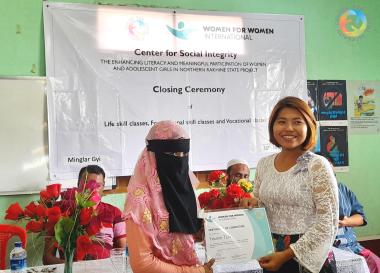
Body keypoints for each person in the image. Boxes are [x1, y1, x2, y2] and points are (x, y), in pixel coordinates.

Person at [242, 96, 339, 273]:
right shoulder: (264, 164)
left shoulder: (317, 165)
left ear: (308, 126)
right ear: (273, 126)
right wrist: (251, 202)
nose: (288, 128)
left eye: (297, 122)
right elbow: (259, 203)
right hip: (272, 252)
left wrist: (287, 254)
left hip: (307, 257)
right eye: (281, 122)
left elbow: (328, 223)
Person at [124, 120, 214, 273]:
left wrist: (206, 232)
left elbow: (187, 236)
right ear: (154, 156)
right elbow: (142, 264)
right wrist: (196, 272)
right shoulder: (140, 200)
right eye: (173, 154)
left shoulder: (184, 187)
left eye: (184, 154)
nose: (180, 159)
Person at [43, 165, 127, 264]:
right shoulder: (62, 212)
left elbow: (120, 255)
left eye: (98, 185)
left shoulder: (115, 213)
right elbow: (47, 258)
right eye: (87, 184)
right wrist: (73, 267)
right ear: (78, 184)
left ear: (103, 186)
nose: (92, 189)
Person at [336, 182, 380, 273]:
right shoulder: (305, 192)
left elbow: (361, 218)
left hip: (353, 247)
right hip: (327, 251)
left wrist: (347, 222)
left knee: (376, 264)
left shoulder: (343, 189)